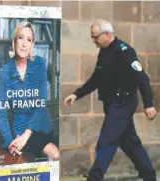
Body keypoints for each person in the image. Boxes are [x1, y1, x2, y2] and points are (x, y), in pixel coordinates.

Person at [64, 19, 157, 181]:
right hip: (112, 104)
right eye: (92, 38)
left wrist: (148, 104)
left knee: (106, 141)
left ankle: (94, 177)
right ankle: (149, 176)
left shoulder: (125, 51)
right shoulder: (104, 52)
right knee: (130, 143)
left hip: (123, 103)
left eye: (95, 37)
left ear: (107, 34)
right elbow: (96, 79)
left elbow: (142, 78)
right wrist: (77, 94)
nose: (93, 41)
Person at [0, 21, 59, 161]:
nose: (24, 44)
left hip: (40, 125)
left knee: (55, 155)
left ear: (32, 45)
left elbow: (40, 105)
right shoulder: (5, 71)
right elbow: (1, 112)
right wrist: (9, 142)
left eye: (29, 40)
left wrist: (25, 136)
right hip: (19, 130)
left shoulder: (39, 64)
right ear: (14, 40)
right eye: (21, 38)